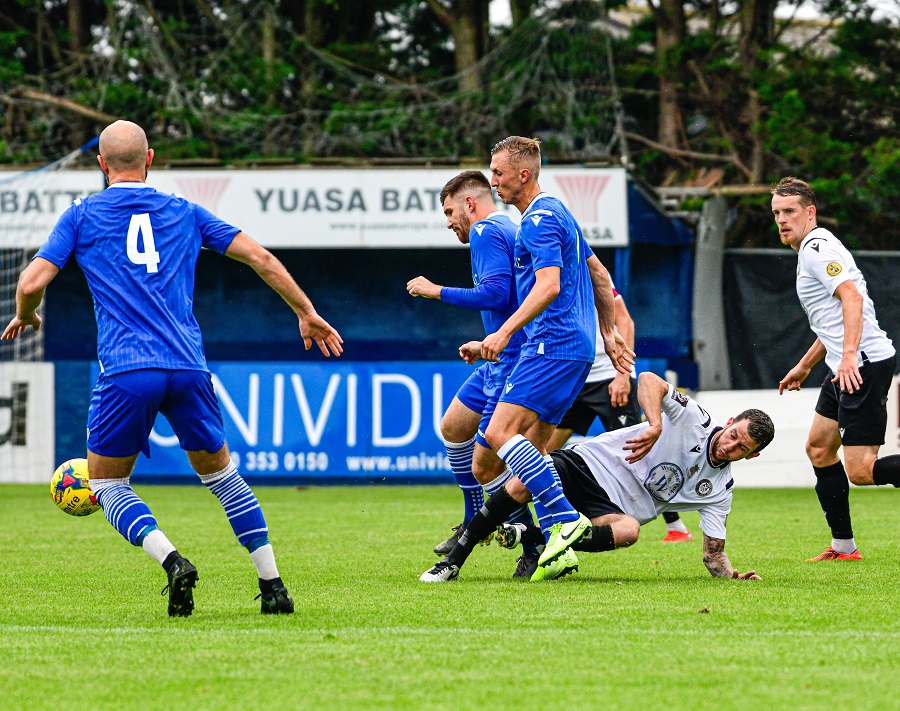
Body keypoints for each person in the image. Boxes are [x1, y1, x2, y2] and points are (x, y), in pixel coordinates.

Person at [1, 120, 343, 616]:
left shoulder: (81, 215)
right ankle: (273, 586)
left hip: (126, 370)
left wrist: (27, 313)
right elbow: (261, 258)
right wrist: (305, 312)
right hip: (187, 366)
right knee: (224, 477)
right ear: (151, 160)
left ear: (101, 165)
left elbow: (32, 279)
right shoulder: (185, 211)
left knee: (107, 484)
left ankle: (173, 561)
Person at [421, 136, 633, 582]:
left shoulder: (534, 220)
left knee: (496, 440)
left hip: (547, 347)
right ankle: (540, 542)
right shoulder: (558, 212)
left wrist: (501, 332)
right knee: (529, 452)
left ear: (523, 174)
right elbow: (599, 273)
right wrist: (608, 332)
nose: (492, 181)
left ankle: (560, 521)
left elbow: (548, 286)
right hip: (573, 351)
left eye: (497, 173)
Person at [428, 371, 773, 581]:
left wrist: (730, 576)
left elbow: (713, 553)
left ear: (751, 455)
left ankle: (528, 534)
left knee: (630, 531)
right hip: (589, 464)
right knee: (521, 483)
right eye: (733, 436)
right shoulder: (695, 418)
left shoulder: (720, 489)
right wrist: (655, 425)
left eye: (741, 448)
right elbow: (650, 381)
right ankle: (453, 561)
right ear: (728, 423)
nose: (730, 447)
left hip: (610, 507)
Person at [406, 170, 540, 576]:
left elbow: (497, 293)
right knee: (453, 426)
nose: (448, 222)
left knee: (490, 467)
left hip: (512, 362)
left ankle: (532, 540)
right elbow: (509, 298)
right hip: (497, 355)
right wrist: (484, 342)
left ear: (470, 203)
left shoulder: (484, 229)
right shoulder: (506, 226)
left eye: (449, 211)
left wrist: (436, 290)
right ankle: (472, 520)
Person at [772, 177, 898, 561]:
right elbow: (832, 320)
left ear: (810, 212)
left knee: (861, 470)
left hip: (859, 365)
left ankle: (845, 546)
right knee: (819, 448)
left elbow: (852, 299)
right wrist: (805, 365)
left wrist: (847, 356)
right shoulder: (811, 248)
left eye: (790, 211)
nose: (782, 220)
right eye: (776, 213)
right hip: (843, 362)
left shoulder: (816, 248)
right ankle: (844, 547)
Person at [545, 285, 693, 543]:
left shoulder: (590, 272)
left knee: (636, 455)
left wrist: (623, 374)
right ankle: (544, 515)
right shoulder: (546, 275)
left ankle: (677, 527)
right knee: (544, 450)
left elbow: (624, 320)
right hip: (575, 378)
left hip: (608, 381)